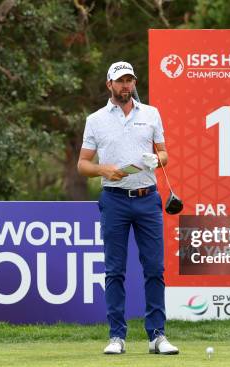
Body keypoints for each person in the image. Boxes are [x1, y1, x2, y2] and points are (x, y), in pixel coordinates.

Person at [77, 61, 179, 355]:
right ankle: (116, 337)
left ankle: (157, 336)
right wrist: (102, 170)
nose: (126, 85)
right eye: (120, 81)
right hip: (114, 199)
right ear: (109, 84)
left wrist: (155, 159)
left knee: (154, 269)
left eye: (130, 80)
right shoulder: (95, 119)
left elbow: (164, 154)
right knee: (114, 271)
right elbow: (82, 165)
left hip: (147, 198)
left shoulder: (151, 114)